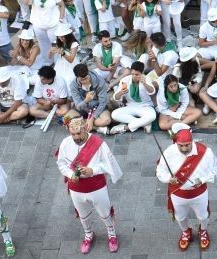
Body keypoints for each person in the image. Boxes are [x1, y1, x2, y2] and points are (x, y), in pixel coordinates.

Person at [56, 117, 123, 253]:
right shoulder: (65, 143)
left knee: (104, 212)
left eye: (78, 134)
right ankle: (88, 234)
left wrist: (93, 170)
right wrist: (71, 175)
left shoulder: (98, 144)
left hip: (96, 186)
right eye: (72, 134)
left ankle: (111, 234)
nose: (75, 137)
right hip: (76, 188)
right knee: (83, 214)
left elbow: (108, 164)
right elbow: (61, 164)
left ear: (86, 128)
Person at [155, 124, 217, 251]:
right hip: (178, 193)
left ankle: (203, 231)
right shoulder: (169, 152)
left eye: (187, 145)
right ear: (176, 143)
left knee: (203, 216)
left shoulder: (205, 152)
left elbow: (216, 169)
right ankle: (186, 232)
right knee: (180, 217)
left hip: (199, 192)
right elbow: (160, 171)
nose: (184, 148)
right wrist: (169, 179)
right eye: (181, 145)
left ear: (192, 141)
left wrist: (201, 180)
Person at [27, 0, 65, 65]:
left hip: (53, 24)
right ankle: (47, 61)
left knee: (55, 44)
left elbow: (62, 5)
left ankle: (58, 62)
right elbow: (27, 3)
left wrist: (60, 19)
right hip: (38, 25)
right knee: (43, 45)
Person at [110, 61, 157, 134]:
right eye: (132, 74)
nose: (134, 76)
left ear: (141, 73)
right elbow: (116, 97)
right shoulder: (125, 80)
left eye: (137, 74)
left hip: (145, 106)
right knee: (114, 114)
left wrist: (145, 84)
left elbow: (152, 91)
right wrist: (120, 93)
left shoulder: (146, 79)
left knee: (152, 116)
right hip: (130, 106)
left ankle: (125, 128)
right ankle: (144, 123)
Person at [68, 63, 113, 132]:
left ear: (88, 72)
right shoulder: (73, 84)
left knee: (106, 121)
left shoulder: (99, 81)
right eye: (81, 80)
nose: (85, 81)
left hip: (97, 107)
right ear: (77, 77)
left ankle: (81, 123)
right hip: (83, 107)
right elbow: (78, 106)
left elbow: (103, 103)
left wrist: (92, 118)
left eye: (86, 78)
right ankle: (97, 128)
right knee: (66, 119)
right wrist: (86, 100)